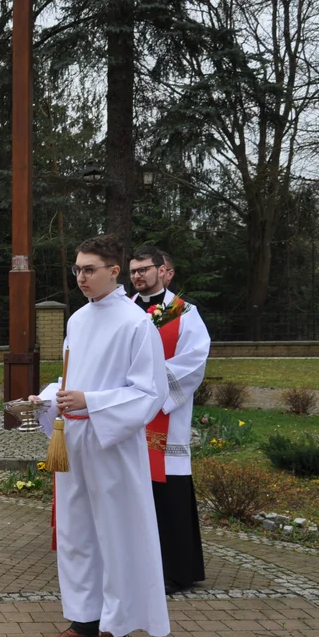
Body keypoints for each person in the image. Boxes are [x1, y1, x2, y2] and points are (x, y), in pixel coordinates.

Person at [28, 234, 169, 637]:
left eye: (89, 269)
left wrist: (90, 401)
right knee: (77, 534)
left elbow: (150, 392)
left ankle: (114, 633)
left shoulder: (136, 323)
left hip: (112, 444)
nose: (81, 277)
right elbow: (72, 376)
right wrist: (48, 397)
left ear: (114, 270)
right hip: (74, 442)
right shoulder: (79, 321)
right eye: (76, 269)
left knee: (115, 537)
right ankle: (84, 622)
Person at [129, 246, 210, 594]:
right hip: (127, 416)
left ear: (164, 271)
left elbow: (194, 360)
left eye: (144, 269)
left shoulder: (184, 312)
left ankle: (174, 571)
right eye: (133, 271)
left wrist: (149, 385)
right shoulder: (122, 309)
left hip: (165, 415)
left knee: (168, 494)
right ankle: (130, 566)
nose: (138, 276)